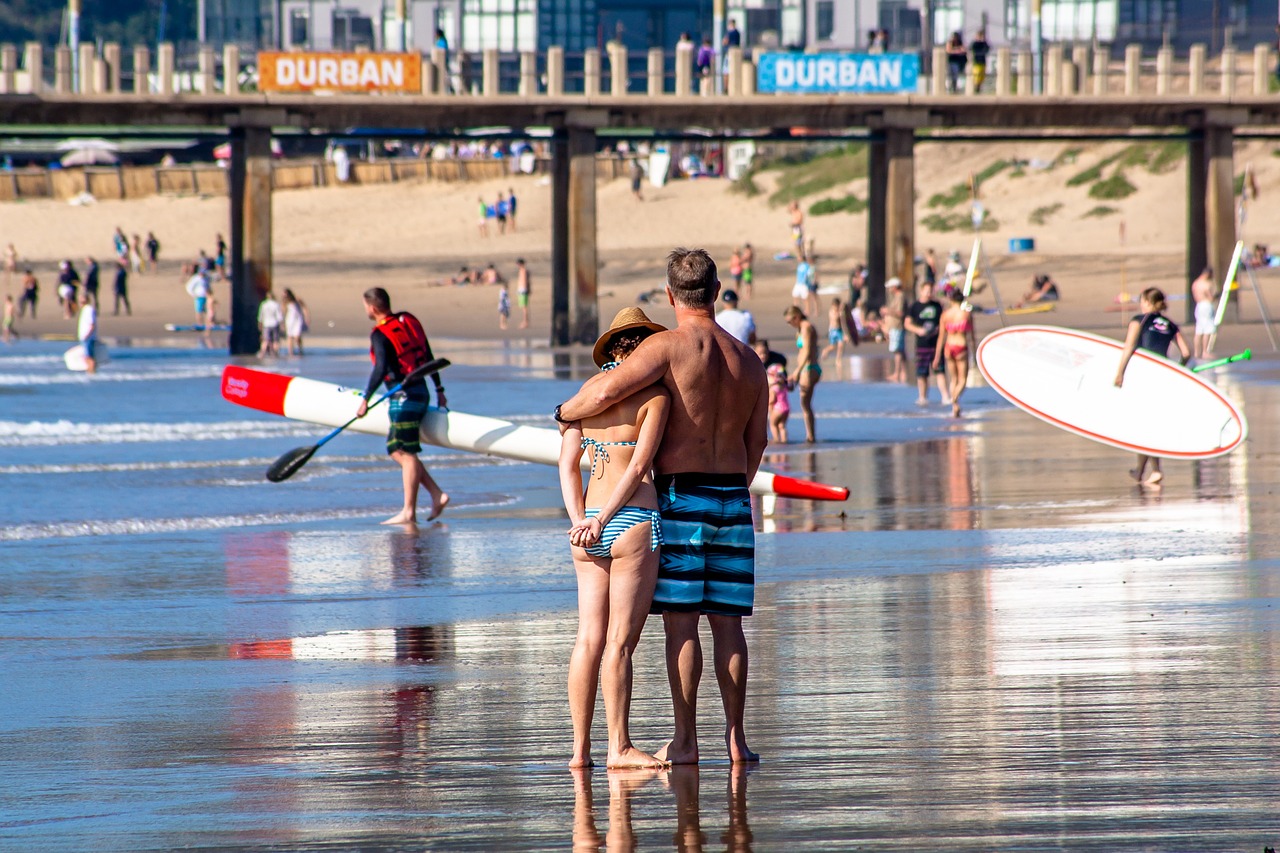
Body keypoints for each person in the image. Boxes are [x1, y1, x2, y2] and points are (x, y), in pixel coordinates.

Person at [555, 248, 767, 765]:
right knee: (729, 625)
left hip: (681, 496)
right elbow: (757, 442)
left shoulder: (668, 348)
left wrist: (562, 412)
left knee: (682, 624)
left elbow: (607, 389)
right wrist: (736, 488)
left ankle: (687, 739)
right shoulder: (750, 360)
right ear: (716, 292)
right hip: (734, 499)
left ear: (670, 296)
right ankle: (736, 740)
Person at [559, 307, 671, 770]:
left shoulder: (584, 396)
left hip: (583, 527)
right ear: (645, 346)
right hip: (630, 521)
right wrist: (605, 519)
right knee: (619, 644)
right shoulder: (655, 395)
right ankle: (619, 747)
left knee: (587, 639)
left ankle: (579, 752)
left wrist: (581, 520)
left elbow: (566, 466)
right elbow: (642, 467)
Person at [357, 287, 449, 524]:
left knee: (406, 453)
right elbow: (427, 356)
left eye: (366, 306)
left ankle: (409, 511)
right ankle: (436, 494)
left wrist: (365, 399)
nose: (366, 310)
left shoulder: (380, 334)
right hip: (421, 392)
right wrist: (439, 390)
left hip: (403, 398)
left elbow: (380, 368)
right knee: (396, 449)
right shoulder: (408, 319)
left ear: (373, 308)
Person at [1115, 288, 1191, 487]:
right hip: (1163, 376)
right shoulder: (1171, 325)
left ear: (1147, 302)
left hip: (1145, 375)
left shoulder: (1138, 319)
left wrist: (1120, 372)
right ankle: (1141, 470)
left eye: (1142, 300)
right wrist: (1179, 370)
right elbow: (1186, 352)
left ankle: (1155, 470)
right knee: (1150, 423)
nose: (1141, 304)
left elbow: (1129, 347)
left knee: (1144, 424)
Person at [933, 289, 976, 418]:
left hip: (948, 347)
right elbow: (971, 336)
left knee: (954, 379)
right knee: (963, 379)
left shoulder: (945, 315)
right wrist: (974, 352)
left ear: (951, 300)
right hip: (961, 346)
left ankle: (954, 408)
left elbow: (941, 337)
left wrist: (936, 356)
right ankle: (954, 400)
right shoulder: (966, 314)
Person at [905, 281, 948, 406]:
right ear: (922, 290)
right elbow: (907, 323)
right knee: (922, 373)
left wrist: (938, 330)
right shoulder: (915, 306)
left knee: (940, 371)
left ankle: (945, 396)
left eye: (931, 291)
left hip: (936, 344)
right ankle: (922, 397)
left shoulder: (937, 306)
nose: (929, 293)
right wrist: (918, 330)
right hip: (922, 344)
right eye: (927, 291)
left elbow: (944, 321)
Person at [783, 305, 821, 443]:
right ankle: (810, 436)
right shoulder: (801, 328)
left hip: (809, 369)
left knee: (805, 404)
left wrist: (797, 372)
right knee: (805, 404)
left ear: (796, 317)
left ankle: (811, 437)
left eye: (790, 321)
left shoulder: (806, 328)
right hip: (806, 368)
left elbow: (806, 351)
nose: (790, 324)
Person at [882, 277, 908, 384]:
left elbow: (900, 312)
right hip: (894, 327)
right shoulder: (896, 297)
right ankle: (902, 372)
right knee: (899, 350)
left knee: (897, 350)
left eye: (890, 287)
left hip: (897, 327)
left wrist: (887, 311)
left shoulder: (900, 296)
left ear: (895, 287)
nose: (888, 289)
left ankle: (898, 373)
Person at [1191, 266, 1216, 359]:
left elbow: (1195, 295)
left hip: (1199, 306)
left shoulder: (1195, 283)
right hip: (1206, 305)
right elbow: (1210, 297)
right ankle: (1205, 352)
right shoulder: (1207, 284)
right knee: (1207, 329)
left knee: (1199, 330)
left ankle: (1197, 352)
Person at [765, 362, 790, 444]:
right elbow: (791, 386)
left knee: (773, 424)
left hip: (777, 409)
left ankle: (776, 439)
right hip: (786, 408)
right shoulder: (784, 386)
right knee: (782, 425)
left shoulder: (774, 388)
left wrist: (768, 404)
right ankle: (784, 439)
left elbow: (772, 400)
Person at [282, 288, 309, 355]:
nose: (284, 296)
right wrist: (282, 322)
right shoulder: (285, 301)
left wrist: (307, 317)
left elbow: (304, 308)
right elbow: (283, 311)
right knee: (290, 336)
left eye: (285, 295)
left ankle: (300, 350)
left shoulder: (297, 299)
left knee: (297, 336)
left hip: (298, 319)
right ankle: (290, 352)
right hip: (289, 320)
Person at [257, 290, 283, 356]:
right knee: (275, 340)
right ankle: (275, 353)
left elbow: (260, 316)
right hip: (274, 323)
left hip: (266, 324)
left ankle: (262, 353)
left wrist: (260, 324)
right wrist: (282, 325)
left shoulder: (263, 304)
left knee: (265, 339)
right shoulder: (276, 304)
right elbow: (279, 316)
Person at [820, 297, 846, 362]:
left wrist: (845, 333)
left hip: (839, 330)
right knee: (833, 346)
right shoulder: (831, 311)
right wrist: (840, 313)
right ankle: (825, 350)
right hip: (832, 330)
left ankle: (838, 359)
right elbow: (835, 318)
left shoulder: (840, 312)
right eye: (835, 306)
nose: (836, 308)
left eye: (837, 306)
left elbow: (843, 323)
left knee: (841, 345)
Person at [77, 292, 98, 375]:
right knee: (87, 357)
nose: (80, 302)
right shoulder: (85, 309)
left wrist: (87, 335)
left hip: (88, 337)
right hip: (85, 337)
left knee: (88, 357)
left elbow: (92, 324)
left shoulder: (89, 309)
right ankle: (90, 372)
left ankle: (92, 373)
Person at [516, 258, 532, 329]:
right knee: (523, 306)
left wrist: (526, 289)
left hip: (523, 289)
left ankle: (525, 322)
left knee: (524, 307)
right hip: (522, 289)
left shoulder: (523, 271)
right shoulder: (523, 271)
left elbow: (525, 281)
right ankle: (525, 321)